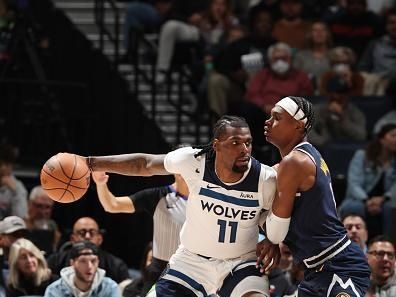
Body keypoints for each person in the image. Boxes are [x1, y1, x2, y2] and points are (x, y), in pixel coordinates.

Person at [83, 115, 278, 297]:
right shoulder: (189, 165)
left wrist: (274, 238)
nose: (244, 149)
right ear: (217, 145)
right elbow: (145, 164)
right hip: (189, 262)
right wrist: (91, 164)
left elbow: (278, 214)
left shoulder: (264, 178)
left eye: (248, 143)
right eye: (236, 143)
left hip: (240, 261)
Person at [258, 96, 370, 296]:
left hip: (338, 265)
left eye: (276, 117)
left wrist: (270, 236)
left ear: (298, 126)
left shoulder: (295, 162)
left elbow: (276, 233)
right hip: (317, 269)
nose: (268, 121)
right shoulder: (304, 156)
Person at [91, 167, 189, 295]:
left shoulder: (206, 198)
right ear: (174, 169)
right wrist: (100, 183)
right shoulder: (158, 195)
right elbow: (112, 205)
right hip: (161, 272)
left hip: (194, 271)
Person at [339, 123, 396, 239]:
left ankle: (389, 244)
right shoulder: (362, 156)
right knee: (354, 207)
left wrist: (383, 198)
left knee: (390, 207)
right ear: (382, 139)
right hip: (360, 198)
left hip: (386, 200)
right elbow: (354, 183)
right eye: (393, 136)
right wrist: (366, 200)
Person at [47, 216, 130, 284]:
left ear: (99, 239)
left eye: (92, 232)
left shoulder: (116, 266)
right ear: (72, 239)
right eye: (82, 233)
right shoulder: (55, 261)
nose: (87, 237)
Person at [44, 240, 120, 297]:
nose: (89, 266)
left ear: (98, 262)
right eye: (83, 261)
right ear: (72, 263)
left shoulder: (109, 287)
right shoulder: (54, 291)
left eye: (93, 261)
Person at [25, 185, 61, 255]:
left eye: (47, 207)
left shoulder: (52, 226)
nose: (43, 212)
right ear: (29, 204)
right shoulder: (20, 225)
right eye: (39, 206)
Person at [0, 144, 27, 220]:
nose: (3, 168)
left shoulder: (18, 187)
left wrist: (15, 193)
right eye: (1, 165)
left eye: (7, 164)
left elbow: (20, 217)